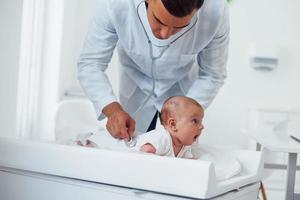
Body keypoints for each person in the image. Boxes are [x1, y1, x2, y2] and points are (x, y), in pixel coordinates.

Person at [78, 0, 229, 141]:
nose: (165, 34)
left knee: (177, 154)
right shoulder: (115, 4)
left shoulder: (215, 11)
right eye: (159, 20)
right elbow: (91, 63)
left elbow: (212, 74)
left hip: (182, 91)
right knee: (132, 153)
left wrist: (188, 115)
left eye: (179, 27)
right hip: (134, 88)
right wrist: (111, 109)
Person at [78, 96, 204, 158]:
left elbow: (189, 160)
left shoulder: (185, 145)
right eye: (195, 121)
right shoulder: (163, 138)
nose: (201, 127)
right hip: (122, 144)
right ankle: (90, 140)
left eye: (200, 122)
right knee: (99, 145)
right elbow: (144, 152)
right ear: (173, 124)